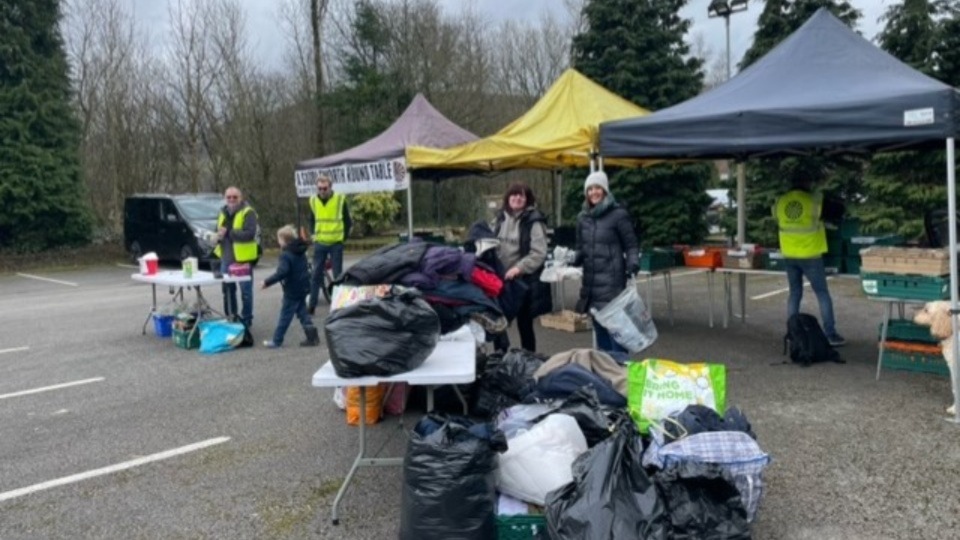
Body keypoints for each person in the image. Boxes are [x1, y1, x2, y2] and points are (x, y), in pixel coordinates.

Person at [574, 170, 640, 362]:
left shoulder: (618, 215)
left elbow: (631, 245)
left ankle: (622, 374)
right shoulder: (582, 218)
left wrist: (632, 263)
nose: (594, 192)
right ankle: (606, 376)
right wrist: (571, 258)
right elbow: (580, 248)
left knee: (617, 333)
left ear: (604, 190)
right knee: (600, 333)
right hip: (591, 286)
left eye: (598, 188)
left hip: (613, 284)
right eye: (590, 189)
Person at [773, 177, 845, 346]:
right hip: (811, 254)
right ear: (807, 183)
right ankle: (830, 335)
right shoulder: (814, 201)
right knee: (822, 293)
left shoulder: (780, 202)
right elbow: (838, 211)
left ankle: (793, 334)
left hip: (789, 254)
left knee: (794, 293)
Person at [493, 182, 550, 352]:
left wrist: (518, 268)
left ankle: (528, 362)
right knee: (498, 325)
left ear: (527, 199)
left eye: (522, 195)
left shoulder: (534, 221)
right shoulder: (499, 219)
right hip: (499, 282)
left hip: (523, 283)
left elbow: (539, 253)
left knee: (525, 325)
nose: (517, 198)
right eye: (514, 194)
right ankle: (500, 362)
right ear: (508, 197)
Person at [260, 226, 320, 348]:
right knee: (302, 312)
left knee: (285, 315)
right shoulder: (300, 251)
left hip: (292, 289)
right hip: (303, 287)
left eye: (279, 239)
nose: (278, 242)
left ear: (283, 240)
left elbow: (282, 272)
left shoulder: (286, 255)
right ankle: (312, 336)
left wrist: (267, 282)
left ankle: (277, 340)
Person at [306, 174, 351, 314]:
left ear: (330, 187)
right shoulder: (313, 200)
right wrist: (313, 234)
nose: (322, 191)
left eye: (324, 188)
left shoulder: (339, 199)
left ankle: (339, 305)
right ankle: (312, 305)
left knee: (338, 275)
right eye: (319, 188)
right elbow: (312, 219)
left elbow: (347, 221)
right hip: (320, 243)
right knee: (315, 274)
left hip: (336, 243)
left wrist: (343, 238)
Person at [215, 186, 258, 328]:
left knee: (246, 292)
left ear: (241, 198)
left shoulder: (248, 212)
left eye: (235, 197)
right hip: (226, 258)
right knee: (227, 291)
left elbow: (249, 234)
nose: (232, 200)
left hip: (243, 260)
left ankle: (246, 320)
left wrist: (229, 232)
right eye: (229, 197)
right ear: (225, 198)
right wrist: (217, 236)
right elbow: (219, 231)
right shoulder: (222, 212)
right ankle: (231, 317)